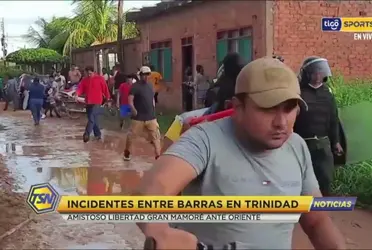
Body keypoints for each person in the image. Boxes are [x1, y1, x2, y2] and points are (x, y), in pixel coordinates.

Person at [134, 57, 346, 249]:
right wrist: (161, 232)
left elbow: (316, 221)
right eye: (268, 108)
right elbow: (150, 191)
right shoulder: (204, 140)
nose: (281, 123)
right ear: (237, 107)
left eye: (289, 108)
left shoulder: (297, 147)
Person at [162, 53, 246, 153]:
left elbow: (215, 104)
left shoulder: (223, 86)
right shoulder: (246, 83)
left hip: (215, 113)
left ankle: (165, 154)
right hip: (214, 105)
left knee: (181, 119)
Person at [294, 56, 343, 197]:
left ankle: (322, 208)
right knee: (304, 178)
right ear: (308, 74)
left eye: (321, 73)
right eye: (315, 73)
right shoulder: (300, 94)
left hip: (323, 143)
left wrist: (336, 142)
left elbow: (333, 119)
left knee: (326, 177)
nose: (318, 76)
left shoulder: (328, 95)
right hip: (303, 143)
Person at [123, 66, 161, 161]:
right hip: (138, 118)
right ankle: (127, 151)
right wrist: (133, 109)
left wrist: (153, 108)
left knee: (156, 136)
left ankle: (158, 155)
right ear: (140, 75)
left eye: (148, 74)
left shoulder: (150, 86)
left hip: (151, 117)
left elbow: (152, 98)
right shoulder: (135, 87)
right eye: (144, 75)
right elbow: (130, 100)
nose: (146, 77)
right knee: (131, 136)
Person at [75, 66, 111, 143]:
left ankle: (86, 134)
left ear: (93, 72)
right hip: (88, 102)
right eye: (87, 73)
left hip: (97, 102)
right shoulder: (85, 80)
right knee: (94, 119)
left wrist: (108, 100)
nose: (88, 75)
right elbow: (80, 88)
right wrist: (77, 94)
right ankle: (98, 135)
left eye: (90, 73)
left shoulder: (100, 79)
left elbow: (105, 89)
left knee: (91, 118)